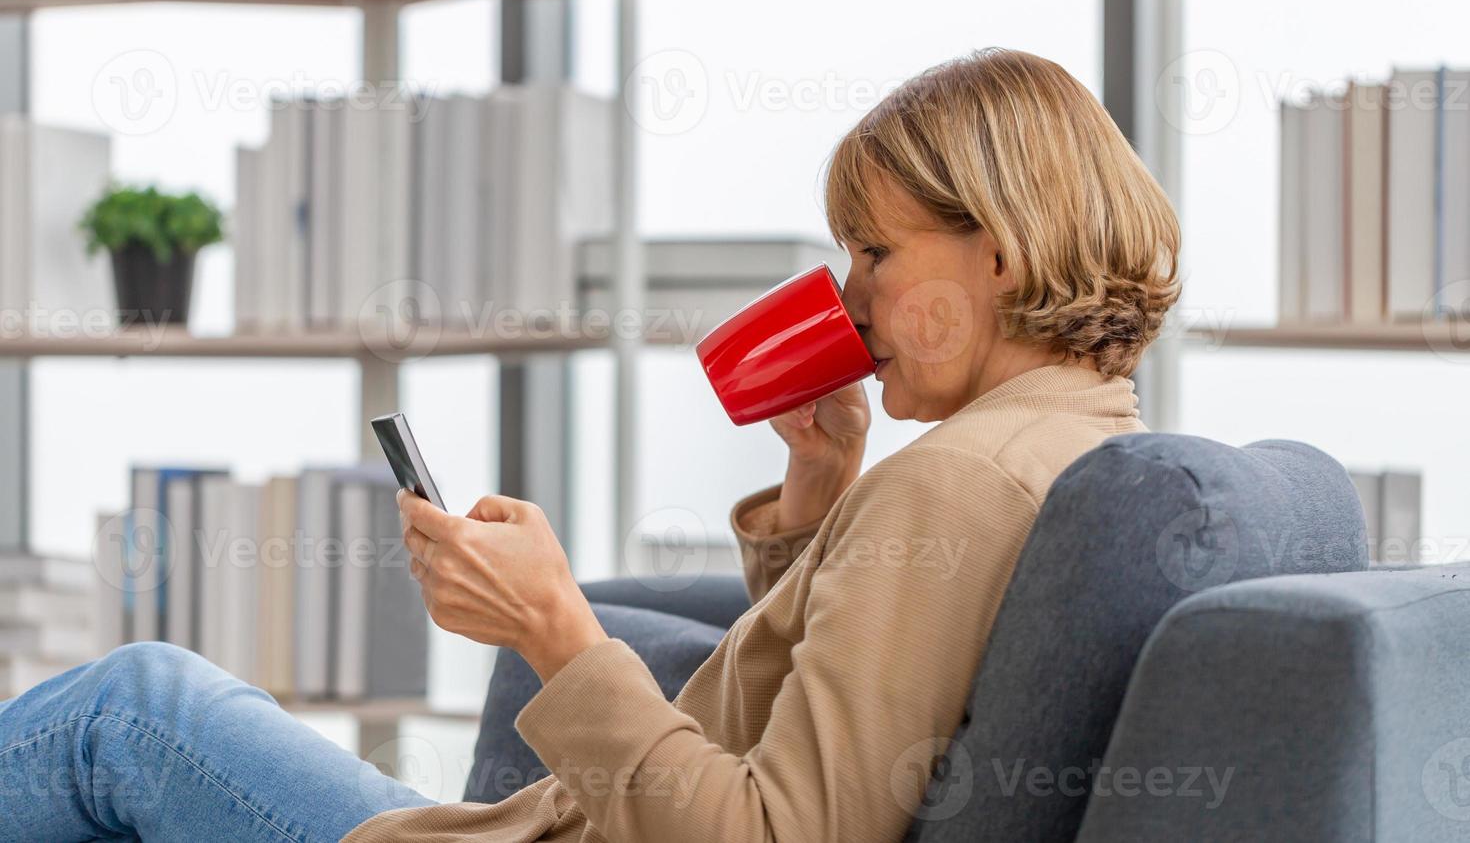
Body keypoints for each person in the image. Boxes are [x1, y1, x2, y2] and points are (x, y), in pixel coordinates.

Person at [0, 47, 1180, 842]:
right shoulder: (1065, 439)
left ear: (1002, 253)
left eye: (876, 251)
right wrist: (820, 499)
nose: (849, 295)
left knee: (133, 706)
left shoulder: (957, 481)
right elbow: (823, 712)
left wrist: (553, 627)